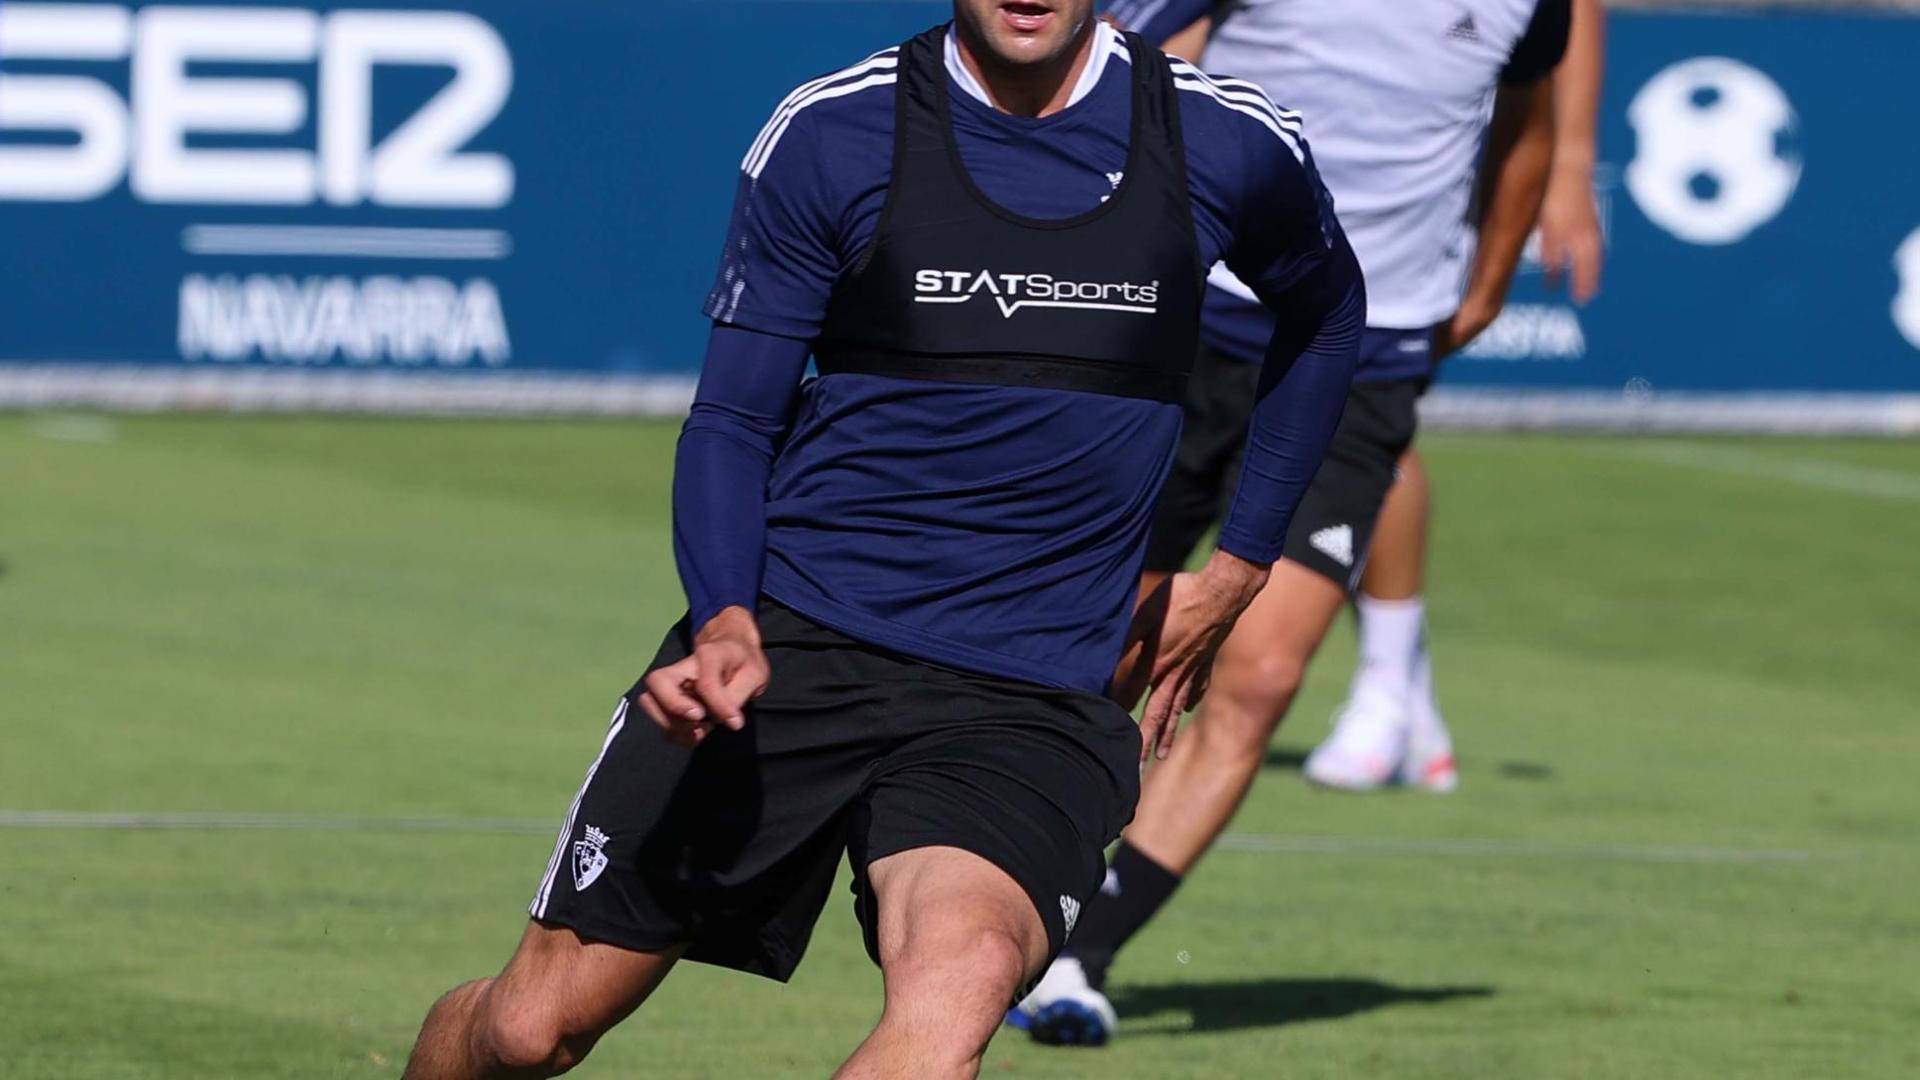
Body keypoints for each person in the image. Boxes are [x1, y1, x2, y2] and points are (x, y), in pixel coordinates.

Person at [399, 1, 1363, 1076]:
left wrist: (1239, 567)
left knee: (955, 998)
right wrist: (723, 622)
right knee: (533, 1030)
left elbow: (1327, 316)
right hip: (791, 645)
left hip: (1029, 693)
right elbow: (731, 421)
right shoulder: (835, 131)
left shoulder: (1223, 137)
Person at [1011, 0, 1570, 1046]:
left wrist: (1486, 289)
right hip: (1190, 327)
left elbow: (1529, 120)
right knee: (1092, 639)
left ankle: (1082, 958)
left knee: (1261, 676)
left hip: (1367, 356)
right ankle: (998, 893)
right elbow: (1116, 52)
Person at [1325, 0, 1607, 792]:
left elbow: (1567, 10)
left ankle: (1386, 693)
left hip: (1417, 163)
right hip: (1296, 129)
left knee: (1362, 415)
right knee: (1308, 425)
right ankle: (1406, 703)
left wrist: (1572, 164)